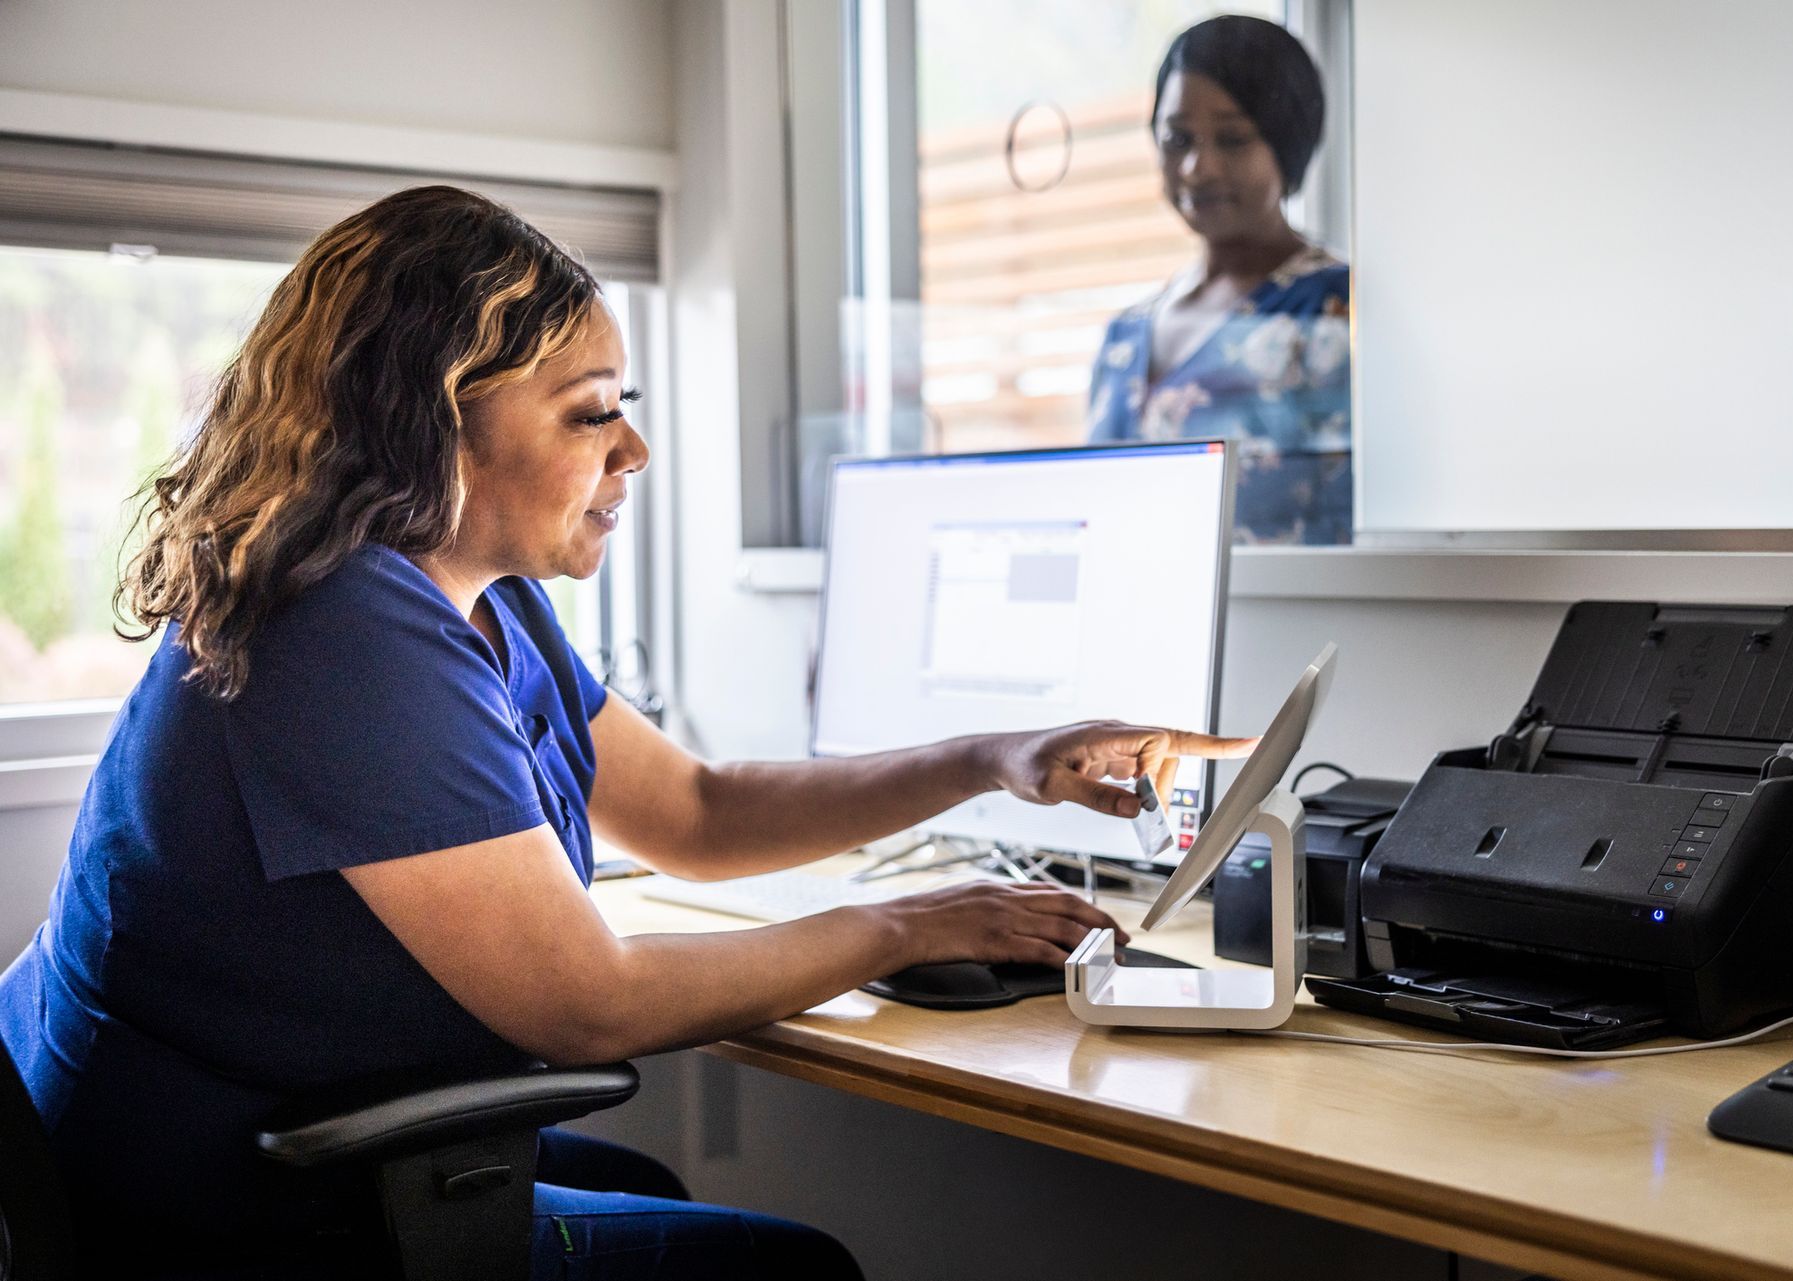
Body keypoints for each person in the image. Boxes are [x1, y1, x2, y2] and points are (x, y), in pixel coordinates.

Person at [0, 186, 1253, 1279]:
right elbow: (586, 1008)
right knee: (797, 1270)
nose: (634, 450)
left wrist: (993, 758)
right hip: (203, 1214)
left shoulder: (477, 596)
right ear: (434, 423)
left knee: (648, 1193)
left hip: (264, 1142)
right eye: (589, 413)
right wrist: (911, 924)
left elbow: (697, 816)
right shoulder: (343, 624)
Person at [1088, 14, 1351, 544]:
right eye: (1176, 139)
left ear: (1286, 144)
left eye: (1231, 140)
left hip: (1294, 622)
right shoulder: (1126, 335)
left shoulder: (1335, 308)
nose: (1196, 168)